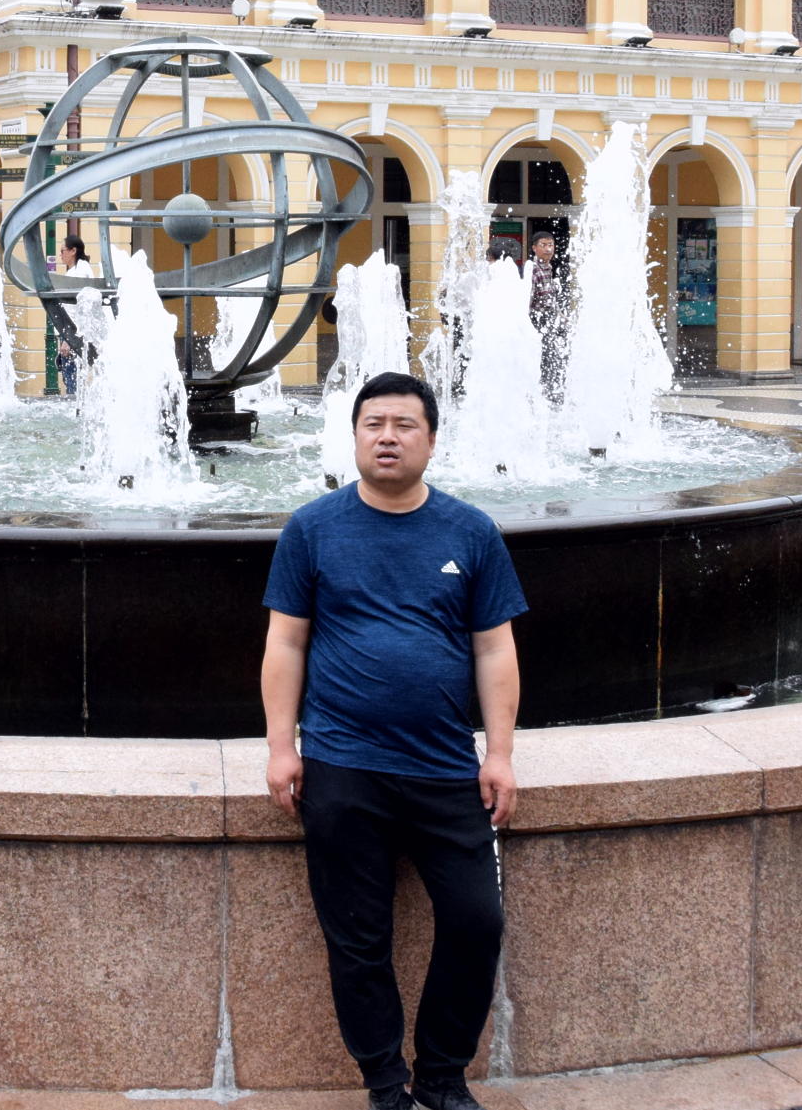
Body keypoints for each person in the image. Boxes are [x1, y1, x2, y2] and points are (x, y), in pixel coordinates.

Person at [261, 371, 525, 1110]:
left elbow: (495, 649)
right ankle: (385, 1083)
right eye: (372, 423)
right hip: (342, 765)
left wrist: (500, 753)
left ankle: (442, 1076)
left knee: (476, 920)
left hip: (445, 766)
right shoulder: (313, 528)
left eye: (404, 425)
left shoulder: (470, 531)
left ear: (431, 441)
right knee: (358, 937)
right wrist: (282, 745)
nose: (387, 436)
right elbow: (285, 642)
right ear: (353, 438)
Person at [527, 233, 568, 398]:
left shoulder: (548, 267)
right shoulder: (533, 269)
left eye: (550, 245)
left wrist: (560, 313)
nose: (548, 249)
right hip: (538, 319)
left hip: (549, 318)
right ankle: (544, 390)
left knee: (553, 354)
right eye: (543, 245)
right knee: (544, 355)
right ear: (534, 248)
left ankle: (551, 388)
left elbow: (550, 296)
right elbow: (529, 298)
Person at [54, 236, 96, 396]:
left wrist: (68, 340)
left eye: (62, 250)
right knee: (71, 376)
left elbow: (80, 308)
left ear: (73, 251)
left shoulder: (81, 271)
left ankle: (75, 408)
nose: (60, 255)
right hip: (71, 331)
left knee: (72, 379)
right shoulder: (76, 270)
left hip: (73, 332)